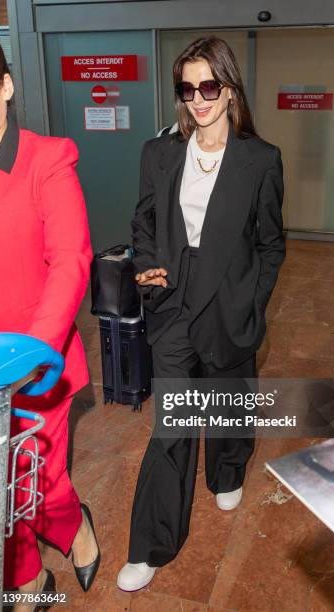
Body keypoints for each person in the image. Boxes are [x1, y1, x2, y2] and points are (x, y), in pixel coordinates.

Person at [117, 36, 285, 591]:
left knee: (229, 391)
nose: (197, 98)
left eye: (208, 86)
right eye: (186, 88)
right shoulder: (159, 152)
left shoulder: (260, 160)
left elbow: (270, 244)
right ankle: (152, 543)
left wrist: (253, 301)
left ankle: (229, 467)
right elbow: (143, 221)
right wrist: (146, 265)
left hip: (229, 295)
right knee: (173, 422)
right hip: (172, 300)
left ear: (229, 88)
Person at [0, 36, 100, 610]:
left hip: (37, 364)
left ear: (6, 85)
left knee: (35, 481)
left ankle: (73, 525)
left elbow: (70, 262)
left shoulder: (47, 159)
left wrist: (31, 352)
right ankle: (29, 578)